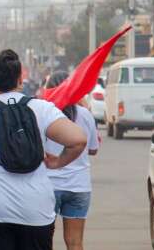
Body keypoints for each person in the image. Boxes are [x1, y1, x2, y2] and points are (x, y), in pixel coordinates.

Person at [0, 49, 87, 250]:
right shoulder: (41, 108)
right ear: (20, 79)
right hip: (35, 211)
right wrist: (58, 162)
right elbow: (78, 140)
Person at [44, 72, 99, 250]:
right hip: (79, 186)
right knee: (75, 243)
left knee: (45, 241)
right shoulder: (85, 114)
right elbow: (93, 149)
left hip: (48, 186)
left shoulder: (43, 114)